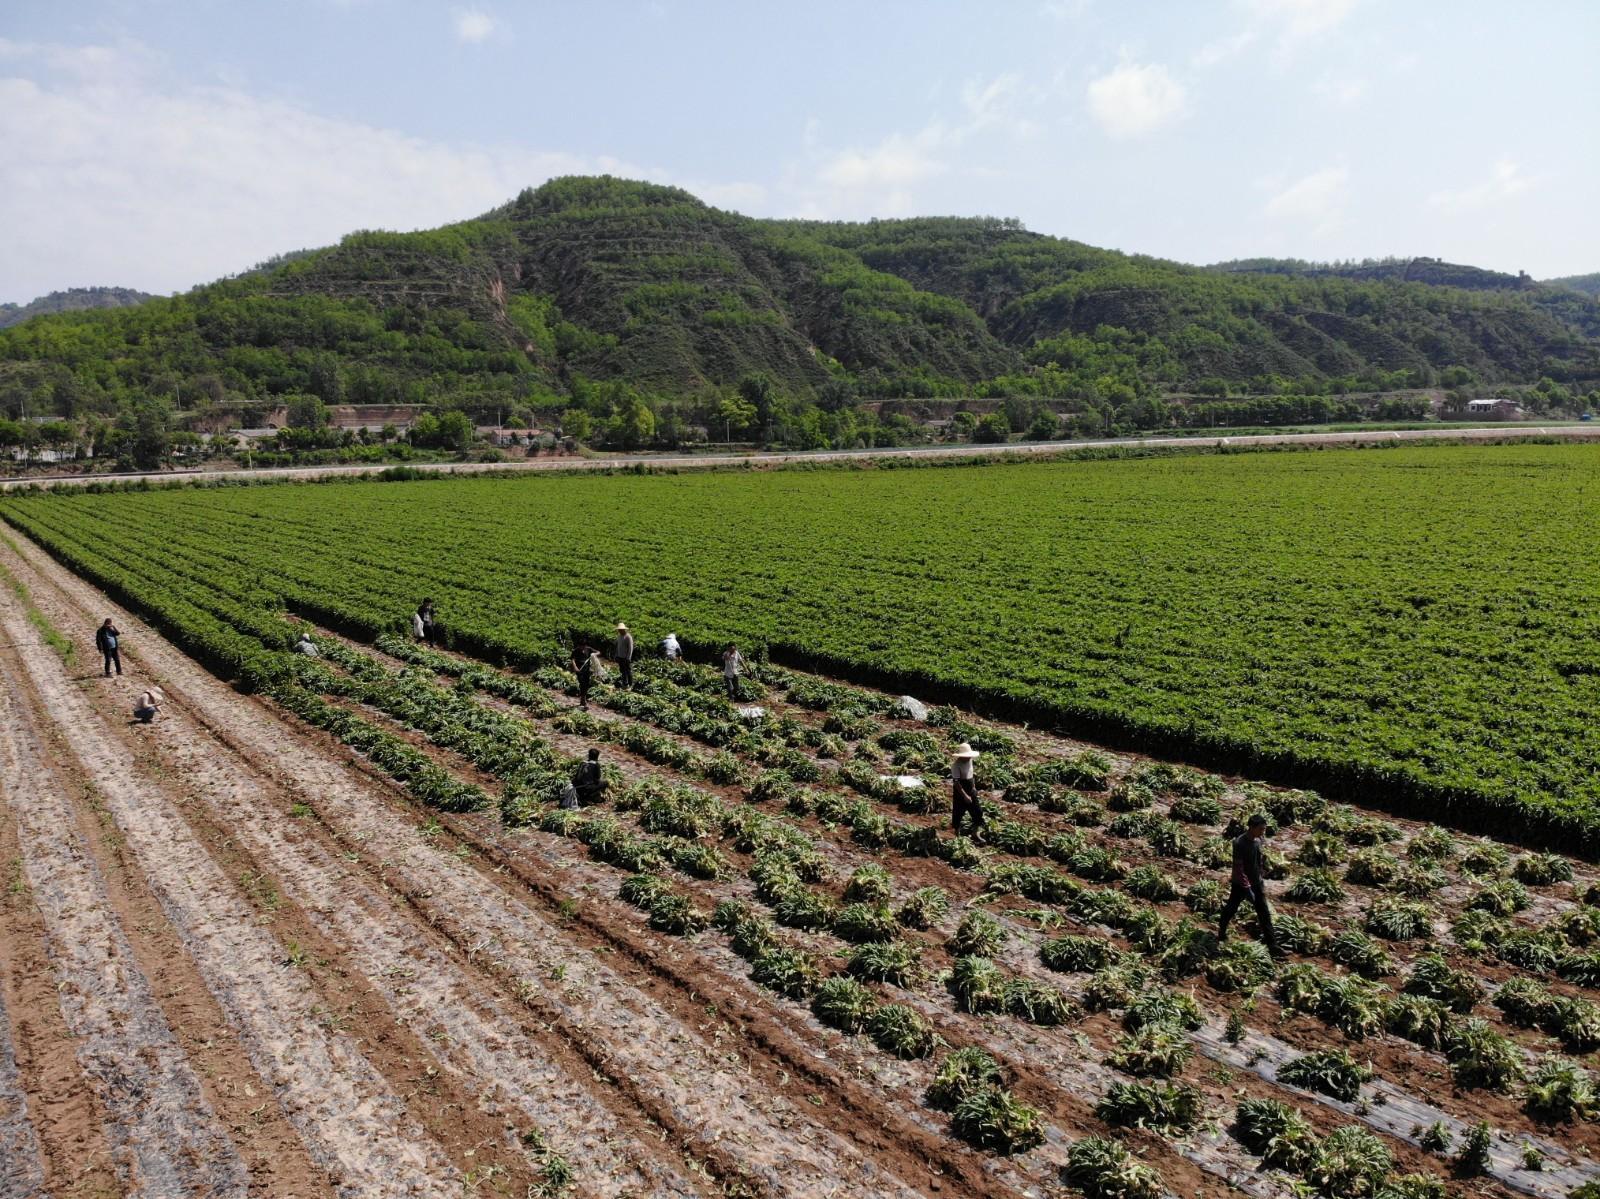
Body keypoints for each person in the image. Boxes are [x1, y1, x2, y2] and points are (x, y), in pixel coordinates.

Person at [1218, 813, 1282, 957]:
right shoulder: (1239, 843)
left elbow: (1258, 861)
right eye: (1261, 829)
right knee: (1231, 908)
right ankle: (1221, 931)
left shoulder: (1258, 841)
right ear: (1251, 828)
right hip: (1241, 883)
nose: (1263, 832)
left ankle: (1273, 946)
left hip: (1256, 882)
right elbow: (1239, 869)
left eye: (1264, 829)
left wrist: (1261, 876)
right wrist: (1247, 888)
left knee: (1264, 913)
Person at [950, 742, 985, 840]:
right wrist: (965, 796)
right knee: (958, 813)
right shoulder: (956, 765)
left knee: (977, 811)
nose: (969, 757)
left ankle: (975, 833)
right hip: (960, 790)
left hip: (970, 788)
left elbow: (971, 775)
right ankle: (957, 835)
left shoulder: (969, 761)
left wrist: (974, 787)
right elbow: (956, 783)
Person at [571, 641, 598, 710]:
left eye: (584, 646)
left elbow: (598, 652)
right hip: (579, 670)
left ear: (585, 646)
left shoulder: (588, 649)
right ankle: (584, 701)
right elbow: (573, 660)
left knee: (586, 684)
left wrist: (594, 654)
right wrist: (575, 667)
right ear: (579, 646)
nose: (582, 648)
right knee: (582, 683)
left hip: (587, 670)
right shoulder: (575, 651)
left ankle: (582, 700)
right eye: (581, 646)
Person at [613, 623, 635, 690]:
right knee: (622, 671)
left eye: (621, 629)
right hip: (620, 657)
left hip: (625, 658)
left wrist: (628, 658)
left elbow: (630, 648)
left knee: (628, 671)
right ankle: (625, 684)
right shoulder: (619, 636)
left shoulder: (628, 637)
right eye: (619, 630)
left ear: (624, 629)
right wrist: (616, 655)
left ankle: (631, 684)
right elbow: (617, 646)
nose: (619, 631)